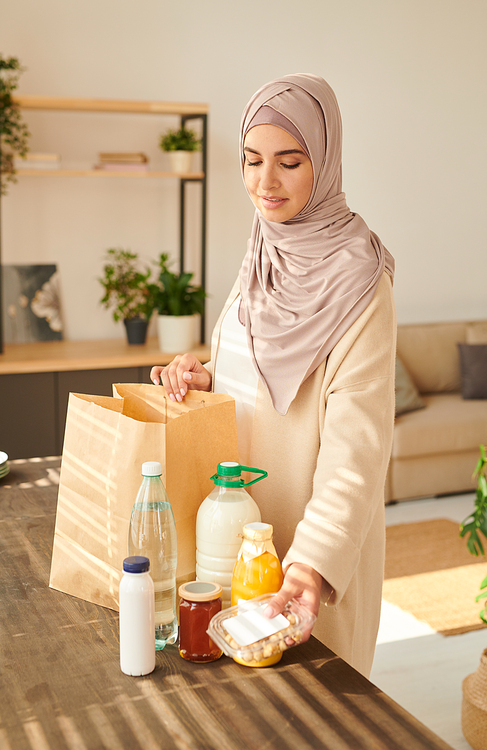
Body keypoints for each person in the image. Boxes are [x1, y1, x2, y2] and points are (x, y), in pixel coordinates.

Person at [151, 74, 396, 678]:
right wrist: (205, 372)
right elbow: (253, 365)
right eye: (252, 160)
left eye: (289, 162)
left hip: (306, 562)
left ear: (326, 163)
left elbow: (356, 450)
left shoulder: (361, 280)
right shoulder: (264, 250)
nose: (265, 182)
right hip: (235, 537)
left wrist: (308, 564)